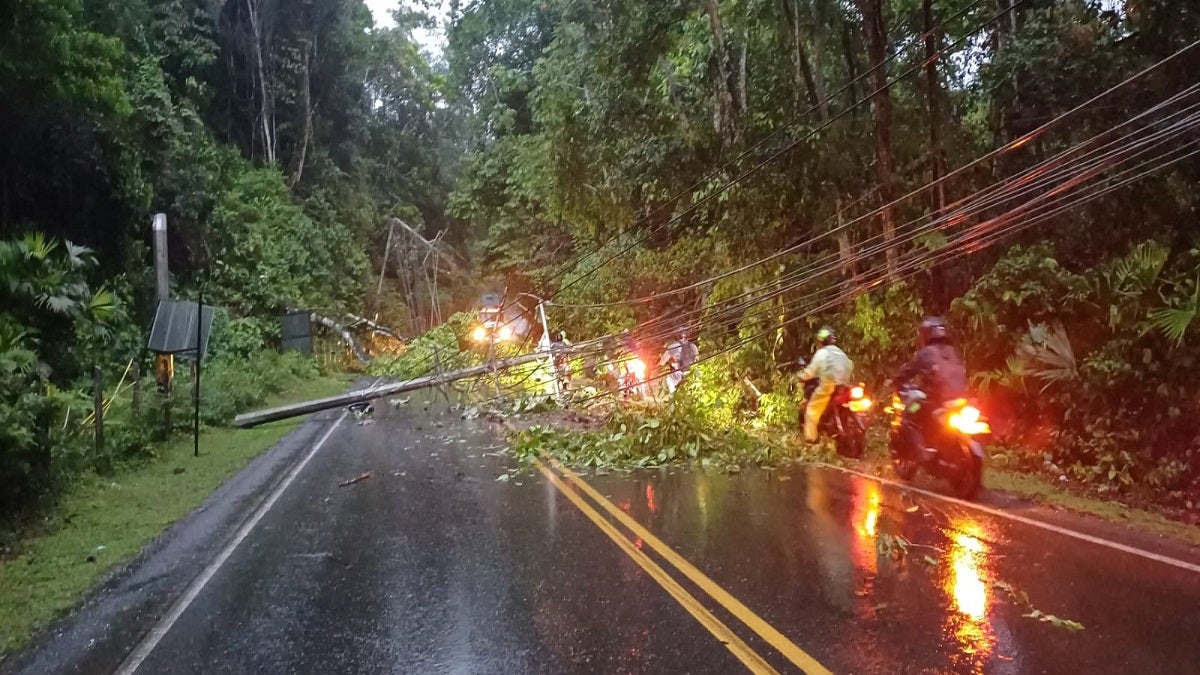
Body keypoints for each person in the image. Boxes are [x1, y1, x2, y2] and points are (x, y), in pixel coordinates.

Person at [888, 317, 969, 462]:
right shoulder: (952, 351)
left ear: (925, 334)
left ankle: (923, 452)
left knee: (908, 418)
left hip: (935, 401)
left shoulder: (926, 353)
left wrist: (894, 379)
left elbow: (908, 370)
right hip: (962, 399)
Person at [798, 327, 854, 444]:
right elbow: (850, 365)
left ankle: (811, 440)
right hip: (845, 387)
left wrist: (802, 376)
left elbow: (810, 372)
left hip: (829, 386)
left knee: (811, 411)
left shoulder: (822, 353)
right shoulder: (840, 352)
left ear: (821, 341)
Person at [660, 328, 700, 394]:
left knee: (669, 379)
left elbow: (662, 362)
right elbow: (698, 359)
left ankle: (673, 399)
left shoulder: (673, 346)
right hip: (692, 373)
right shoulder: (693, 346)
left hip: (680, 374)